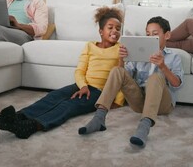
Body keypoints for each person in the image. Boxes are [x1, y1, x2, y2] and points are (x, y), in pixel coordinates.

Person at [0, 6, 125, 139]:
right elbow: (80, 70)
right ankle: (17, 117)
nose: (115, 31)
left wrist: (117, 100)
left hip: (100, 92)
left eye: (118, 29)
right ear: (101, 31)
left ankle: (31, 126)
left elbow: (122, 75)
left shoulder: (121, 49)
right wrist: (83, 86)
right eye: (110, 27)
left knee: (68, 105)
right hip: (82, 85)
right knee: (54, 96)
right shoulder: (90, 46)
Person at [78, 16, 184, 148]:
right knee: (117, 70)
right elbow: (122, 76)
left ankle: (144, 126)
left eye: (155, 35)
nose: (151, 37)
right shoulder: (138, 53)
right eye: (148, 34)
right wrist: (122, 59)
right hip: (139, 103)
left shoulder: (174, 57)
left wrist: (163, 66)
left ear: (167, 35)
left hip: (162, 105)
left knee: (156, 77)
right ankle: (99, 118)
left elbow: (177, 84)